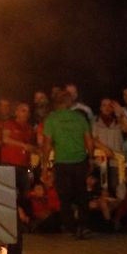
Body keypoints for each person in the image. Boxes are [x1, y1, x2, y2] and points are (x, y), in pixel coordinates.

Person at [40, 88, 94, 239]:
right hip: (80, 161)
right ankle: (83, 226)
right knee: (82, 195)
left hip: (62, 162)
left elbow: (46, 145)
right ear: (69, 102)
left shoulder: (51, 119)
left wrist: (45, 166)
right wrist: (90, 158)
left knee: (64, 197)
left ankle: (71, 228)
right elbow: (89, 140)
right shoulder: (80, 117)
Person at [92, 99, 126, 197]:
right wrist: (106, 149)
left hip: (117, 162)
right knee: (102, 190)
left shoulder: (119, 120)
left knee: (117, 189)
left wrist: (121, 113)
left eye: (109, 105)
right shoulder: (94, 121)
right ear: (100, 107)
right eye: (104, 105)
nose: (107, 108)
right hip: (100, 162)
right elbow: (93, 139)